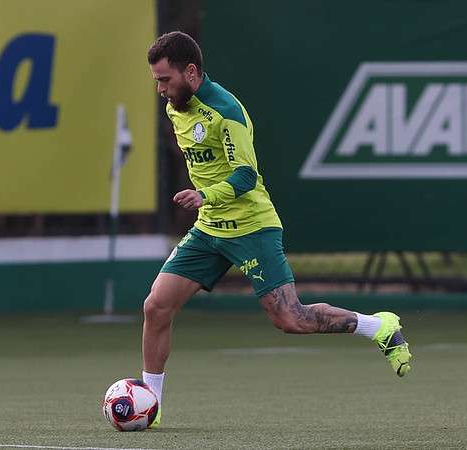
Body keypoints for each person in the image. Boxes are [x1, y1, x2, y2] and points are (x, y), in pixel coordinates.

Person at [142, 31, 412, 428]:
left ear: (192, 71)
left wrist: (205, 195)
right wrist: (207, 205)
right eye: (157, 81)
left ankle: (379, 326)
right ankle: (151, 404)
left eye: (165, 79)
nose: (161, 89)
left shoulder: (226, 111)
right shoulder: (176, 108)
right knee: (155, 307)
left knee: (291, 319)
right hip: (210, 229)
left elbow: (246, 176)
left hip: (253, 226)